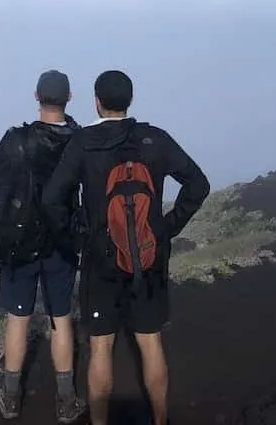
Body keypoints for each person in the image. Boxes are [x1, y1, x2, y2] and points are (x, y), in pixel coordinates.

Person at [41, 69, 211, 425]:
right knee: (150, 342)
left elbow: (52, 200)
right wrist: (166, 228)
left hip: (100, 260)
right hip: (148, 259)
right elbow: (198, 183)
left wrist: (77, 240)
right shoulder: (155, 139)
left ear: (97, 102)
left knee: (100, 347)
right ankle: (160, 419)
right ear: (129, 100)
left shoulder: (83, 143)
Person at [0, 69, 88, 423]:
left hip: (19, 243)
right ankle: (66, 399)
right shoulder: (80, 141)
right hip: (62, 242)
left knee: (18, 320)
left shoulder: (15, 139)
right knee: (61, 319)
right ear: (69, 98)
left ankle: (11, 398)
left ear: (36, 97)